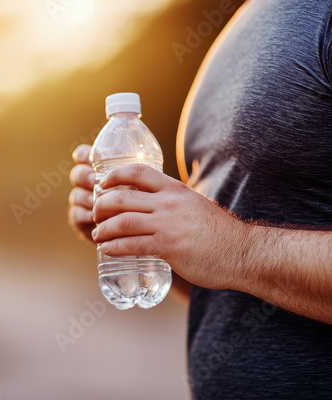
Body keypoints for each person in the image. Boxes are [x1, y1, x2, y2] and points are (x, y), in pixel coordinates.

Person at [68, 1, 332, 398]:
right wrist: (142, 241)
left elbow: (232, 253)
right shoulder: (245, 21)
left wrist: (238, 249)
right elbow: (227, 282)